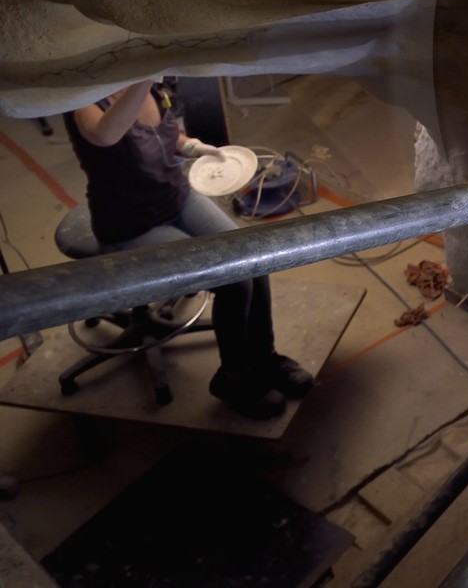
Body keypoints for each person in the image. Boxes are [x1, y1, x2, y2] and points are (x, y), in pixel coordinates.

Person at [64, 78, 312, 419]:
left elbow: (166, 134)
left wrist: (192, 146)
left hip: (176, 197)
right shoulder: (83, 100)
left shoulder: (151, 88)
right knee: (233, 282)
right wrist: (142, 78)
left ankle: (264, 358)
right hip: (131, 224)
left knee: (255, 258)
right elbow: (107, 135)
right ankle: (234, 378)